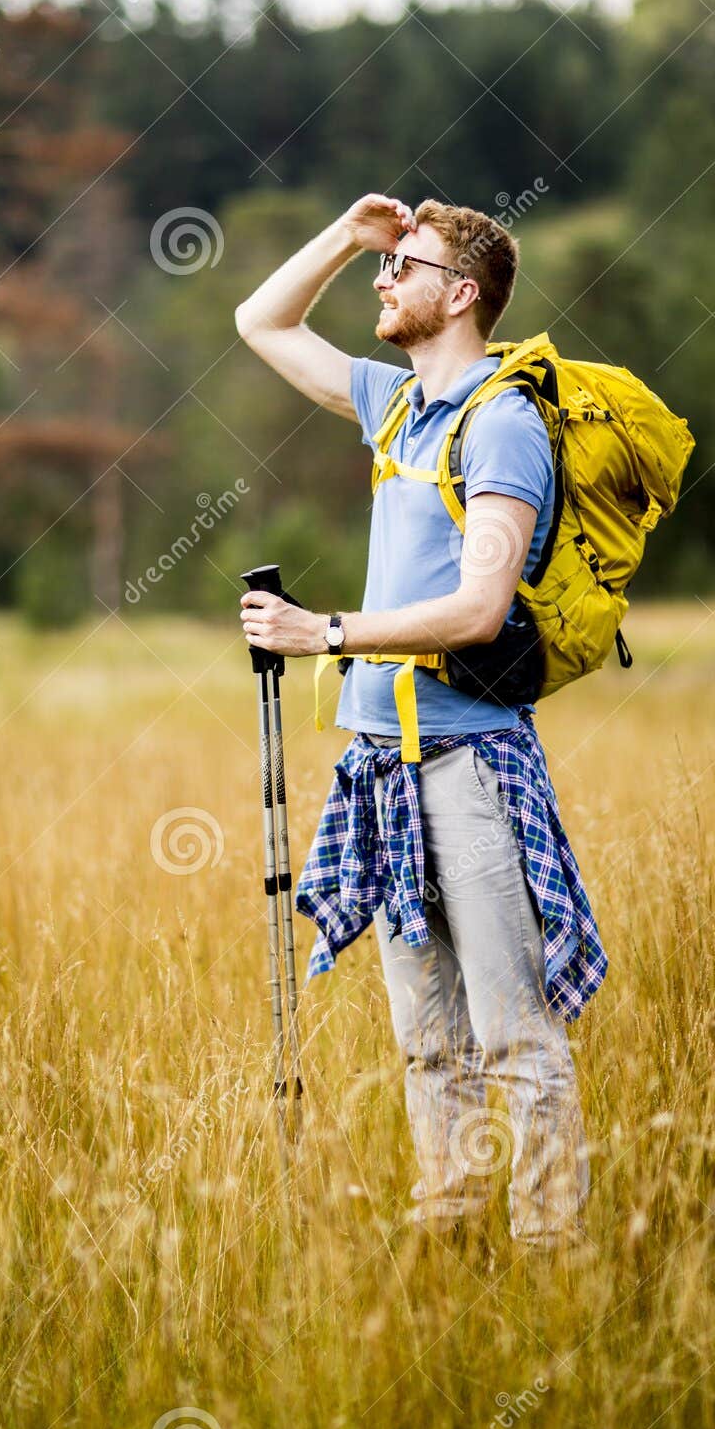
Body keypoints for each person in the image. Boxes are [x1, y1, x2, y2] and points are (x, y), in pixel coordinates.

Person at [235, 194, 606, 1252]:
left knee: (513, 1039)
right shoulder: (394, 407)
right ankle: (451, 1260)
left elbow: (480, 610)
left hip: (472, 764)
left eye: (405, 264)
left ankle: (549, 1272)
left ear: (463, 292)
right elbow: (258, 324)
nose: (382, 280)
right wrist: (350, 235)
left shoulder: (503, 423)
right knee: (425, 1046)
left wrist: (328, 632)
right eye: (380, 264)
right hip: (381, 767)